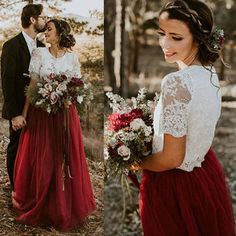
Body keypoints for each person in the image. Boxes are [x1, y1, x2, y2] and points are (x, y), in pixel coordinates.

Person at [131, 0, 236, 235]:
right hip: (205, 175)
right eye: (161, 34)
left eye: (176, 37)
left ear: (198, 38)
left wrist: (136, 162)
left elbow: (171, 158)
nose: (164, 44)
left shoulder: (176, 82)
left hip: (173, 187)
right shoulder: (210, 76)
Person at [12, 19, 96, 231]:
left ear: (60, 33)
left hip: (66, 115)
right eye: (45, 29)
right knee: (44, 157)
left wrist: (69, 97)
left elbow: (77, 87)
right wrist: (23, 115)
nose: (45, 33)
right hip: (42, 116)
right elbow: (32, 87)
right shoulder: (39, 54)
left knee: (63, 156)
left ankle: (63, 205)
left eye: (49, 29)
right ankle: (42, 202)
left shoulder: (72, 58)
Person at [1, 3, 46, 188]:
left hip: (39, 109)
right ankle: (15, 189)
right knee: (16, 148)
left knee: (34, 149)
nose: (46, 20)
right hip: (19, 109)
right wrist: (14, 114)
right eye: (43, 17)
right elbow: (7, 82)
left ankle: (30, 187)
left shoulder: (43, 47)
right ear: (32, 19)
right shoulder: (11, 45)